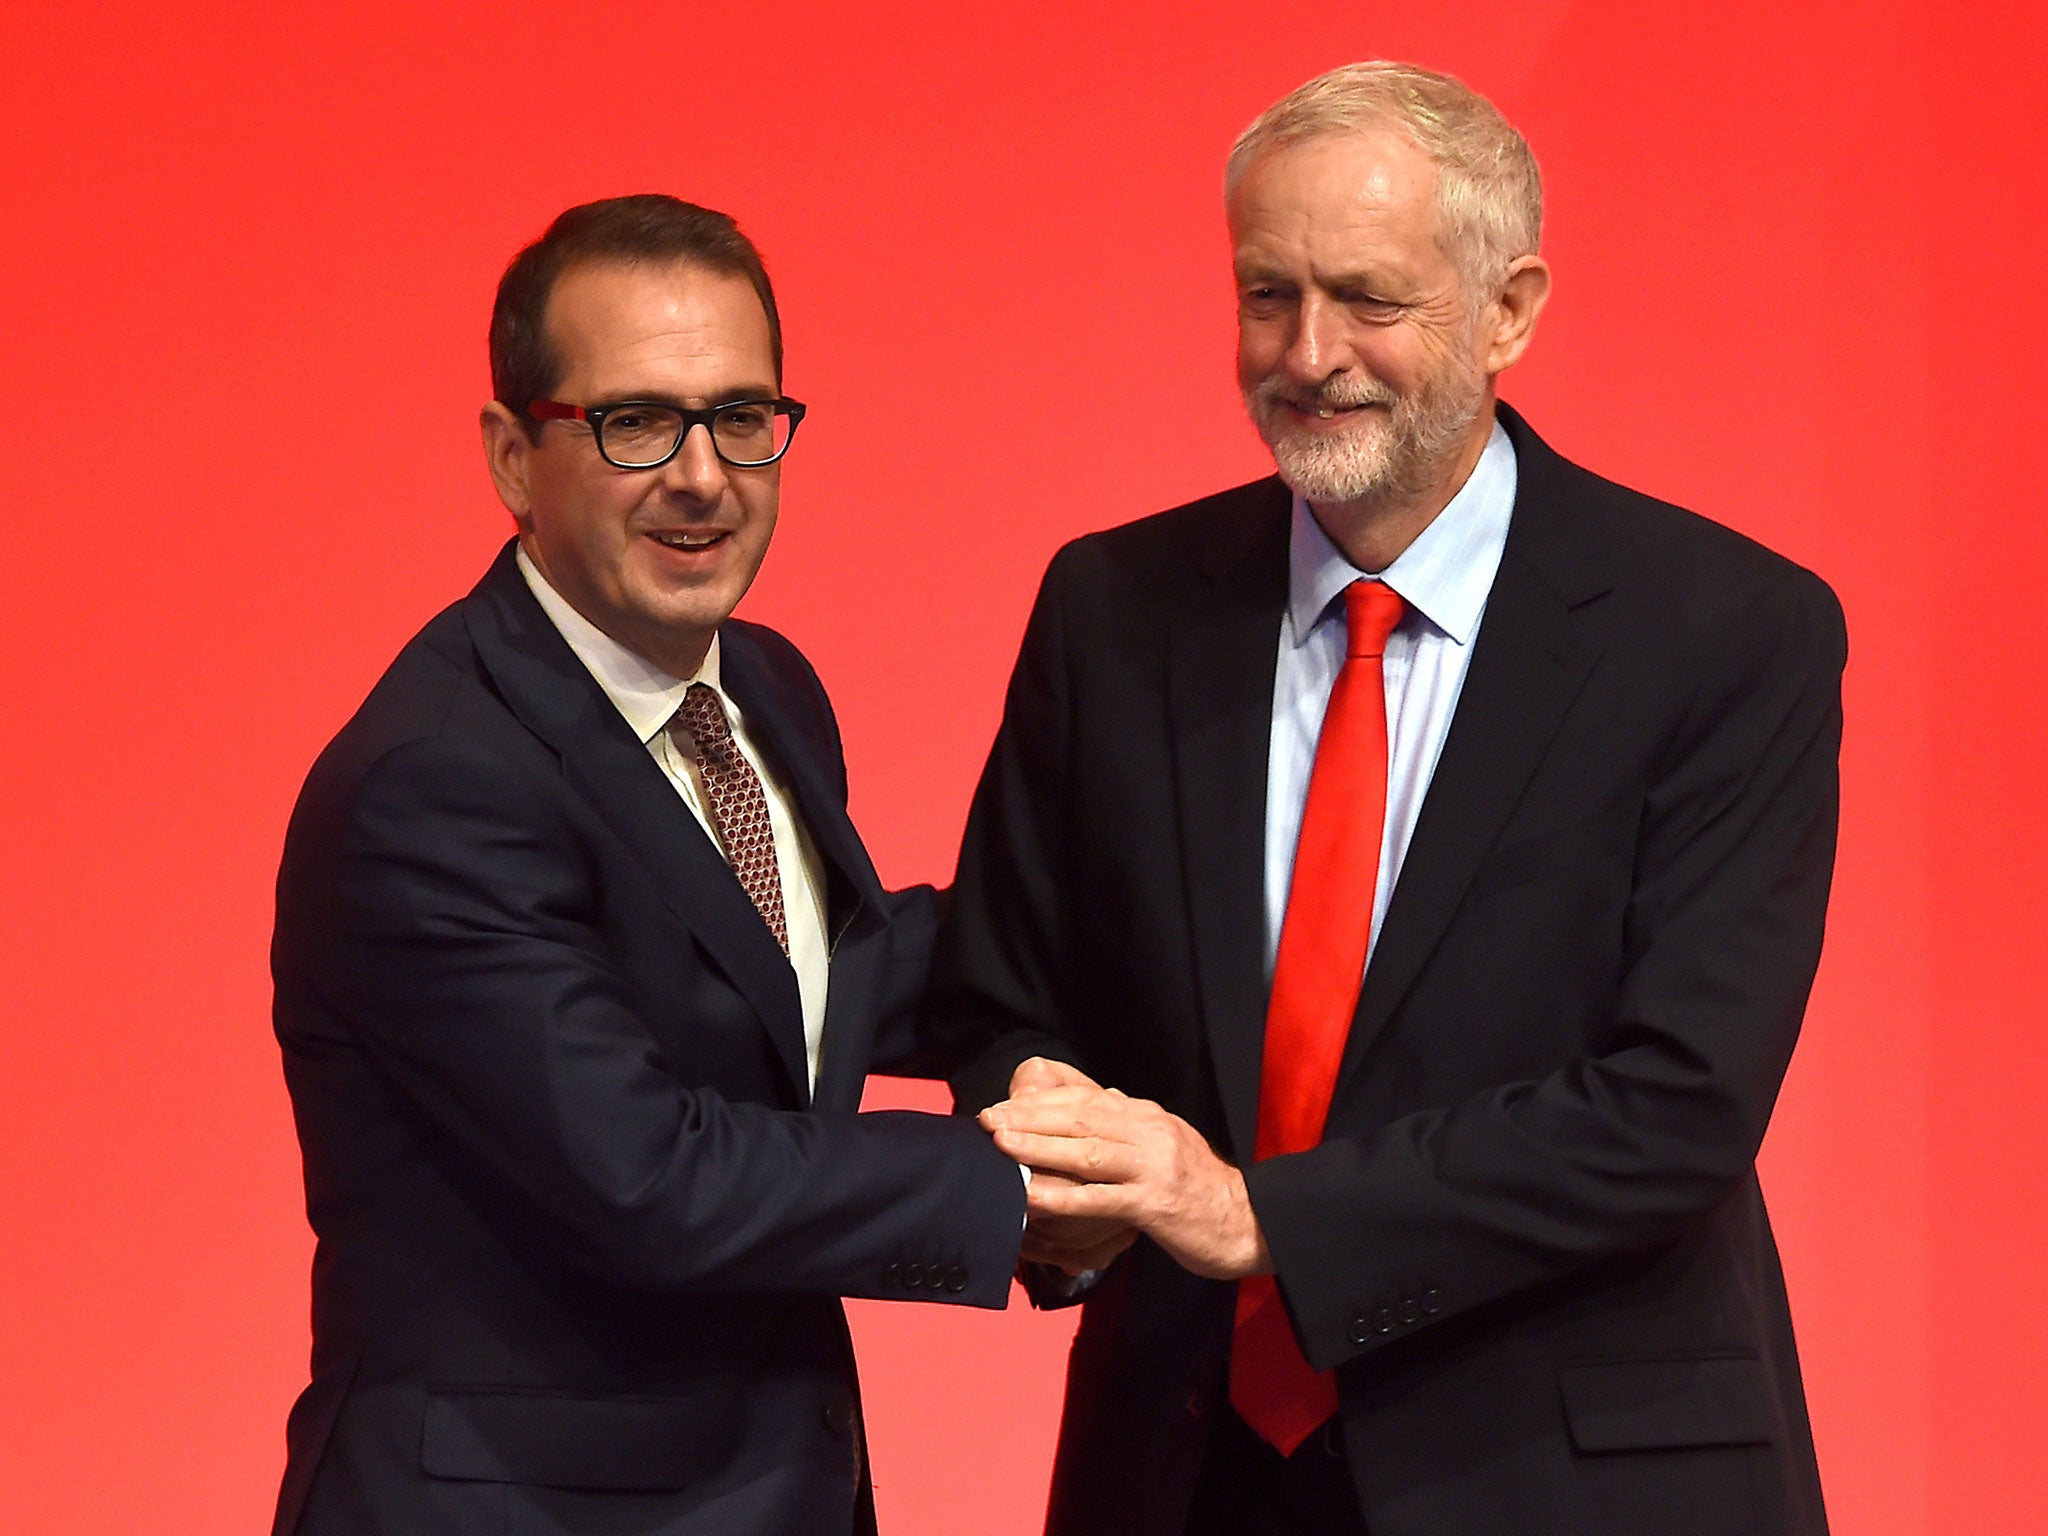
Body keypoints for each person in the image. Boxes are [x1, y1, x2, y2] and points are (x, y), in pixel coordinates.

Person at [932, 63, 1841, 1536]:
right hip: (1179, 1476)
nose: (1307, 354)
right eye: (1265, 294)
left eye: (1368, 298)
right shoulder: (1116, 607)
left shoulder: (1726, 629)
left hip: (1570, 1485)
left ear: (1512, 309)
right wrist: (1053, 1127)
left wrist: (1260, 1221)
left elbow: (1676, 1106)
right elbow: (1001, 992)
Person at [269, 195, 1025, 1536]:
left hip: (771, 1488)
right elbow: (649, 1178)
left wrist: (1138, 957)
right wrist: (1016, 1189)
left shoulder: (765, 690)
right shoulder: (436, 783)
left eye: (742, 416)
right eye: (635, 423)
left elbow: (807, 971)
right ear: (513, 456)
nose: (701, 473)